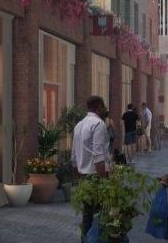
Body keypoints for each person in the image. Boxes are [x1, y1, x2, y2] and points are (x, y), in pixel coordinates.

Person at [72, 96, 110, 239]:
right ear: (99, 107)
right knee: (99, 215)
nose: (105, 109)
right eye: (103, 106)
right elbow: (98, 156)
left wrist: (78, 177)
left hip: (84, 177)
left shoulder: (79, 125)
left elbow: (73, 155)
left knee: (87, 215)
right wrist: (104, 181)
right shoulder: (98, 124)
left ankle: (86, 239)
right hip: (96, 176)